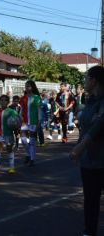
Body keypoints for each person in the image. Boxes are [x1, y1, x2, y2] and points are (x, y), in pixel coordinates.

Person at [69, 65, 104, 236]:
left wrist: (80, 147)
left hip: (102, 159)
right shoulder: (89, 102)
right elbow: (84, 129)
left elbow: (99, 125)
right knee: (90, 200)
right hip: (89, 162)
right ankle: (89, 232)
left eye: (85, 78)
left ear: (93, 80)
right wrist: (79, 147)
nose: (83, 82)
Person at [19, 80, 41, 167]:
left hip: (33, 121)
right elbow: (21, 110)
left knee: (32, 141)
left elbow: (39, 110)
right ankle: (28, 154)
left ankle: (32, 159)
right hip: (24, 121)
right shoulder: (23, 98)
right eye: (26, 86)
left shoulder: (36, 97)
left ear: (32, 87)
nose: (27, 88)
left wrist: (39, 121)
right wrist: (19, 119)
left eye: (28, 86)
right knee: (23, 139)